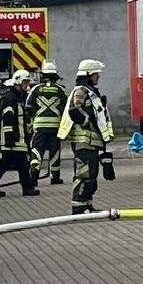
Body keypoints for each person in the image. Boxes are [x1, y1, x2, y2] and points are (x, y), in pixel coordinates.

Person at [58, 59, 114, 215]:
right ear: (88, 75)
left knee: (91, 175)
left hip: (91, 142)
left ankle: (87, 205)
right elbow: (74, 110)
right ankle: (78, 207)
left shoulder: (91, 92)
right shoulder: (81, 91)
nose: (98, 77)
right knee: (84, 174)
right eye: (96, 74)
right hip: (84, 142)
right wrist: (86, 122)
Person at [0, 75, 40, 197]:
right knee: (14, 164)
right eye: (25, 82)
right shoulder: (10, 98)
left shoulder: (17, 98)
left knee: (13, 164)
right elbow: (7, 119)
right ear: (17, 83)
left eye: (27, 83)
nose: (27, 85)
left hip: (17, 139)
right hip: (12, 139)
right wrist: (9, 137)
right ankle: (26, 188)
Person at [27, 61, 66, 185]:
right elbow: (66, 109)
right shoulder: (60, 90)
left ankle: (33, 176)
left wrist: (36, 116)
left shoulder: (35, 89)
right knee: (55, 151)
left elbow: (28, 106)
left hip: (40, 127)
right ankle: (55, 177)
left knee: (37, 150)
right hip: (55, 127)